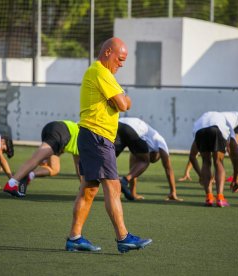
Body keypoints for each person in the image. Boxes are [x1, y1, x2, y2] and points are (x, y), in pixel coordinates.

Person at [65, 37, 152, 253]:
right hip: (97, 136)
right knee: (112, 186)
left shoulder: (100, 73)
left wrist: (121, 99)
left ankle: (74, 238)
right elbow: (123, 103)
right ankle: (123, 238)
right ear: (107, 53)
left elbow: (122, 102)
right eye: (120, 59)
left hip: (91, 135)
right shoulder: (102, 72)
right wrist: (122, 98)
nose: (121, 64)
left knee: (89, 189)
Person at [179, 112, 238, 183]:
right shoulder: (204, 128)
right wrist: (187, 171)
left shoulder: (220, 129)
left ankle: (237, 175)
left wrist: (215, 177)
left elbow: (221, 153)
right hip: (232, 121)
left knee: (229, 149)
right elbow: (196, 151)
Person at [3, 120, 80, 197]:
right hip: (61, 133)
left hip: (56, 128)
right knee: (36, 159)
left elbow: (79, 169)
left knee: (54, 168)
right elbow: (81, 173)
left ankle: (29, 175)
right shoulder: (85, 142)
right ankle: (12, 184)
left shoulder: (82, 138)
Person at [114, 117, 181, 201]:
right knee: (145, 161)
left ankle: (107, 184)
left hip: (118, 124)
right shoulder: (161, 143)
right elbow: (168, 169)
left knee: (109, 158)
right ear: (158, 153)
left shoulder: (142, 144)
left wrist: (133, 194)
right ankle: (123, 181)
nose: (152, 159)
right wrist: (173, 191)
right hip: (132, 127)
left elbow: (133, 169)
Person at [189, 111, 238, 207]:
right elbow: (235, 155)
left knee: (206, 161)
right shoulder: (227, 124)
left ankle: (209, 197)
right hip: (216, 130)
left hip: (200, 132)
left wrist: (201, 175)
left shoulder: (205, 120)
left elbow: (192, 156)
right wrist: (235, 178)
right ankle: (220, 198)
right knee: (218, 161)